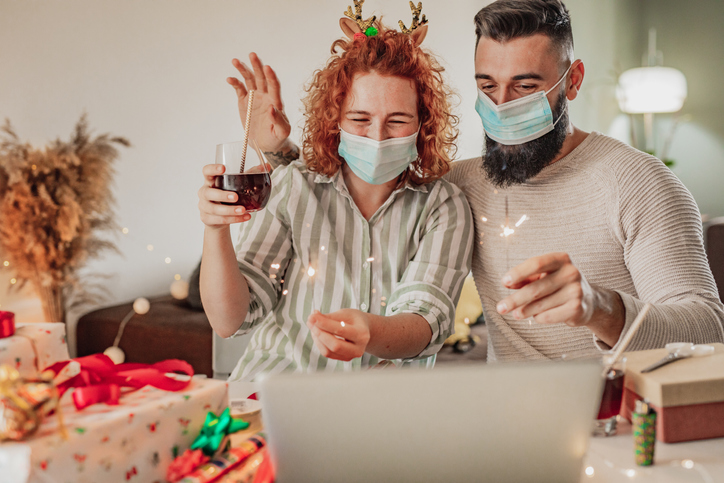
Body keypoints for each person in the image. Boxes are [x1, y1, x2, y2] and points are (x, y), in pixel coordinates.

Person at [255, 0, 724, 362]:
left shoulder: (640, 183)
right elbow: (358, 184)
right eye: (487, 86)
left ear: (573, 80)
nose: (502, 106)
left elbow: (708, 330)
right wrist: (279, 152)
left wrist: (600, 308)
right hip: (508, 420)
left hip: (616, 423)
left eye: (525, 87)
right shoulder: (463, 184)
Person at [198, 14, 473, 381]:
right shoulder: (293, 186)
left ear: (423, 123)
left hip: (381, 415)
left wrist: (369, 331)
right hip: (274, 396)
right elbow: (230, 320)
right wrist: (215, 229)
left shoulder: (443, 206)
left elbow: (426, 324)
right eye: (359, 119)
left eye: (397, 121)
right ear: (335, 120)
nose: (377, 137)